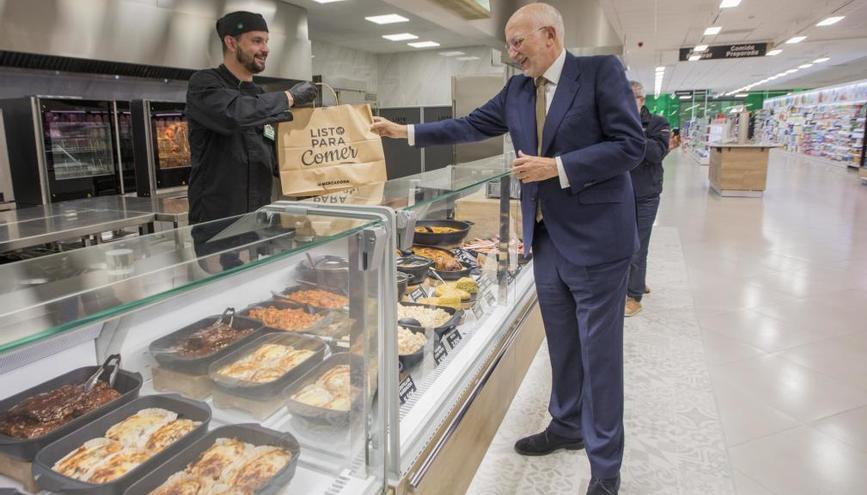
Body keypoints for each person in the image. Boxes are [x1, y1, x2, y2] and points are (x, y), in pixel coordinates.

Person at [371, 4, 645, 494]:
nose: (511, 52)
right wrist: (404, 132)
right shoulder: (518, 89)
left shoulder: (600, 72)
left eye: (518, 42)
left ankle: (606, 470)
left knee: (600, 357)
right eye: (510, 43)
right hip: (546, 239)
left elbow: (630, 146)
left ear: (549, 35)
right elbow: (468, 126)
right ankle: (564, 427)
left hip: (600, 241)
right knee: (562, 344)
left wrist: (556, 167)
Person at [186, 10, 318, 225]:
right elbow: (234, 115)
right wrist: (289, 97)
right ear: (231, 42)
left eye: (266, 41)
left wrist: (319, 173)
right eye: (257, 41)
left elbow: (273, 156)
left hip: (258, 216)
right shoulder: (204, 83)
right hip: (215, 220)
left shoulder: (259, 94)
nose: (265, 49)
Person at [625, 81, 670, 317]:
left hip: (646, 196)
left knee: (638, 246)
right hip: (621, 196)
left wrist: (631, 134)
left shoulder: (658, 123)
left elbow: (657, 153)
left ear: (641, 100)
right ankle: (638, 281)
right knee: (627, 244)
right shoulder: (615, 123)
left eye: (631, 98)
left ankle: (634, 296)